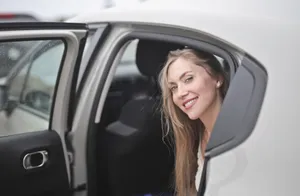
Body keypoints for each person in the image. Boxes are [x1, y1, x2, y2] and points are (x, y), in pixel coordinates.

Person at [159, 48, 229, 196]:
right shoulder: (195, 134)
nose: (180, 93)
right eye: (174, 87)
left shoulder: (237, 136)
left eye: (188, 79)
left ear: (217, 79)